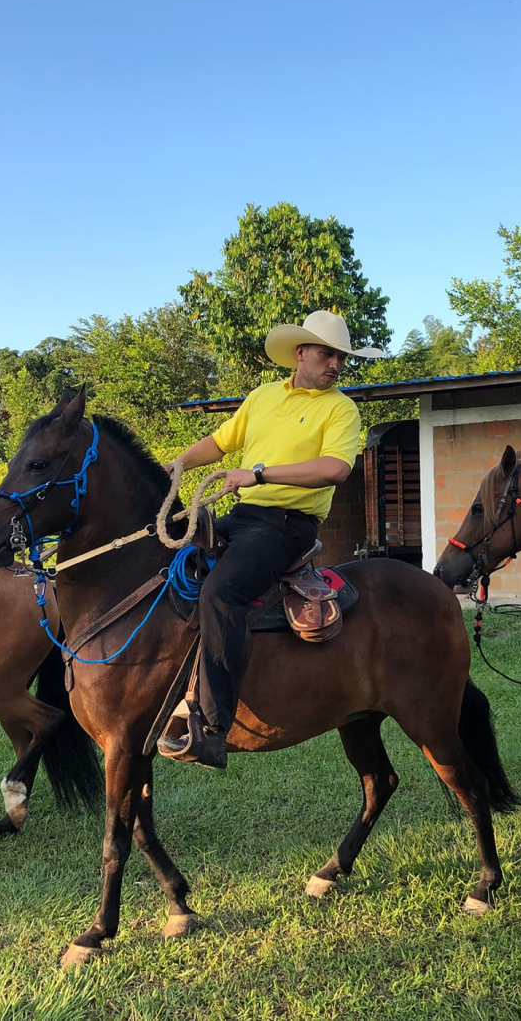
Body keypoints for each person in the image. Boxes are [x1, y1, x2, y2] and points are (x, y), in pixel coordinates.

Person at [157, 310, 382, 769]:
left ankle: (212, 726)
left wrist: (259, 474)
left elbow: (335, 469)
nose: (335, 364)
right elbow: (219, 444)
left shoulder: (341, 408)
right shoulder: (261, 397)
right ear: (300, 353)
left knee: (222, 592)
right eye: (326, 354)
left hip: (287, 524)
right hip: (242, 515)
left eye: (341, 357)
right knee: (167, 567)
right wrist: (175, 467)